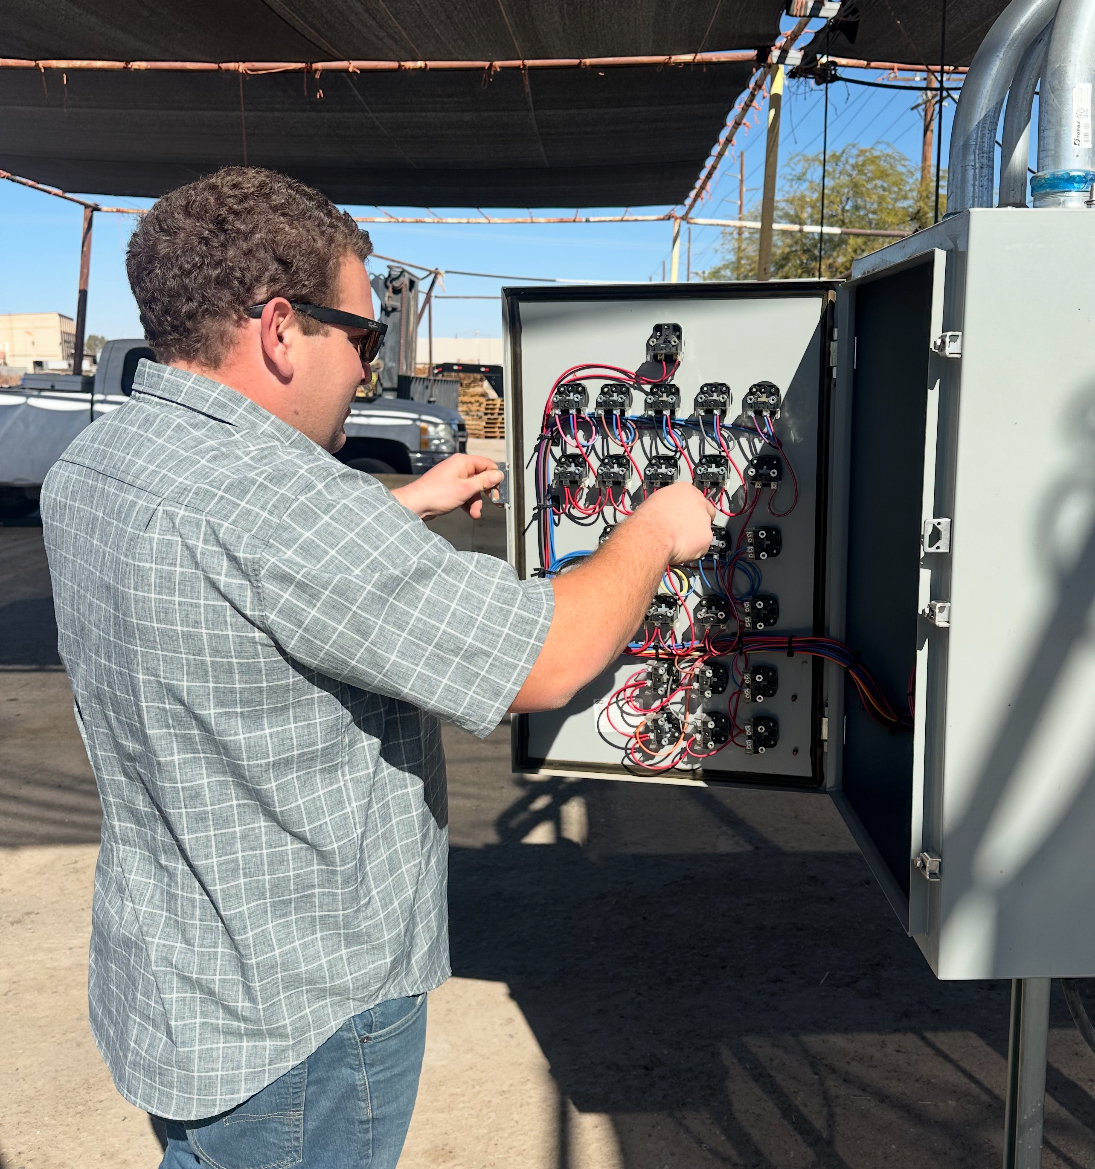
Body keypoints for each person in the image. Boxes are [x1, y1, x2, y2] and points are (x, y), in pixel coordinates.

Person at [40, 166, 714, 1169]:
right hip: (303, 1028)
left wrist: (399, 511)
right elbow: (549, 655)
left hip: (175, 992)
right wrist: (656, 529)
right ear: (279, 328)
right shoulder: (290, 500)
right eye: (362, 336)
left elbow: (237, 580)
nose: (368, 365)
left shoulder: (98, 462)